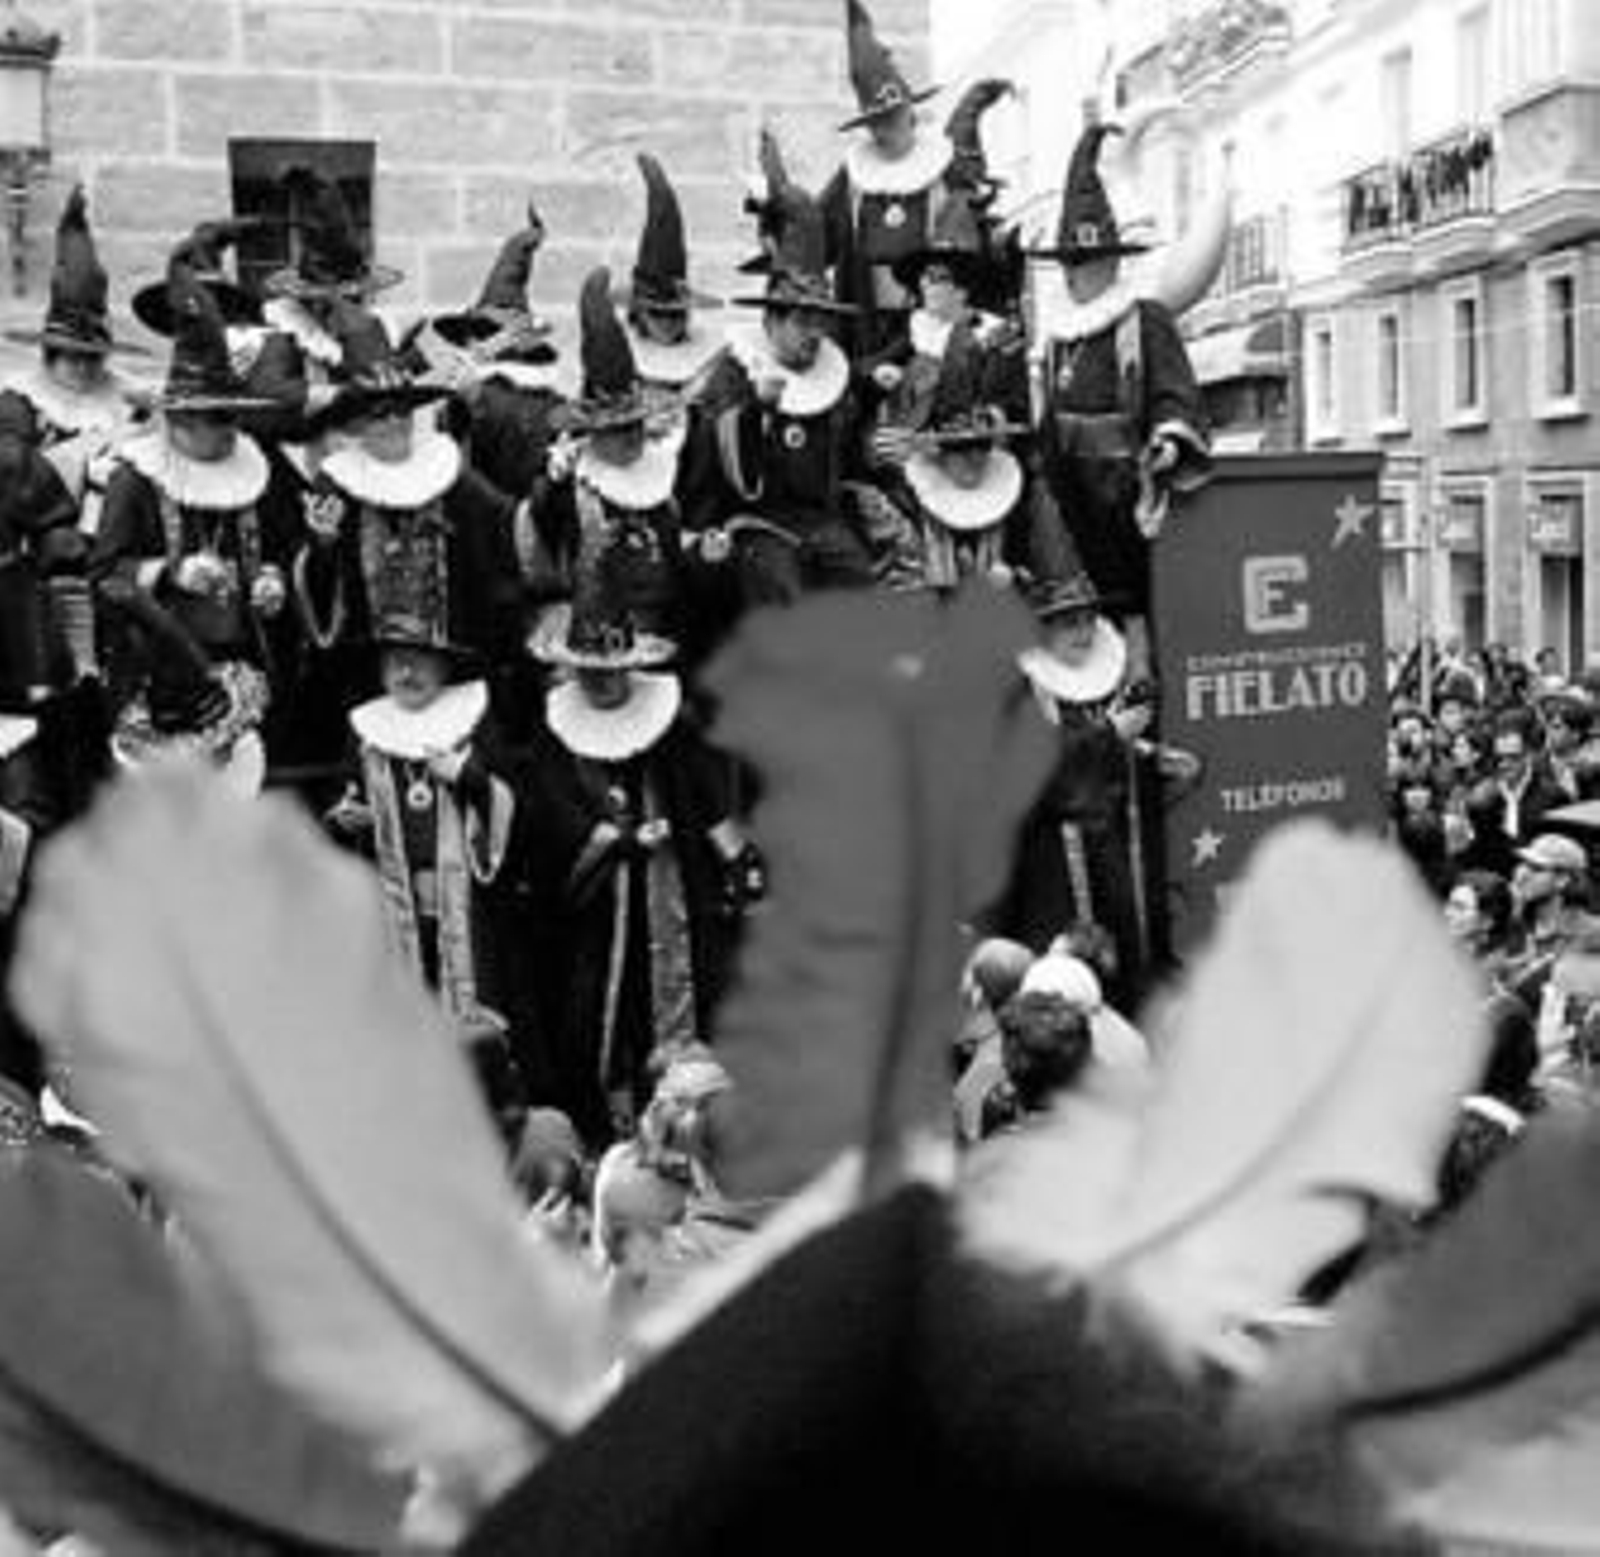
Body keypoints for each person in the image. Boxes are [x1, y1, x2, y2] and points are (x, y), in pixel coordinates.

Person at [524, 567, 762, 1146]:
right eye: (590, 671)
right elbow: (549, 823)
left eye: (611, 671)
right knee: (598, 1030)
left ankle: (689, 1128)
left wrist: (742, 866)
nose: (602, 682)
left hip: (674, 899)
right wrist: (611, 842)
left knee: (690, 1014)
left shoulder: (672, 724)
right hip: (595, 920)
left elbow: (710, 805)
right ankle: (613, 1137)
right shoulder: (553, 736)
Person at [1030, 119, 1211, 684]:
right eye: (1069, 264)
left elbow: (1175, 394)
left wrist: (1168, 438)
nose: (1076, 274)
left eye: (1085, 262)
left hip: (1128, 500)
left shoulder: (1144, 319)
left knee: (1141, 633)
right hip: (1072, 505)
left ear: (1110, 261)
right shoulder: (1060, 338)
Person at [90, 258, 299, 726]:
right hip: (159, 670)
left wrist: (273, 577)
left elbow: (286, 542)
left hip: (246, 662)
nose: (230, 430)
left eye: (232, 416)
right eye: (216, 419)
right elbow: (104, 575)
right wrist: (170, 572)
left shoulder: (256, 467)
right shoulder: (136, 477)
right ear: (179, 420)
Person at [680, 148, 871, 657]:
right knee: (780, 590)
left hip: (820, 521)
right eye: (800, 321)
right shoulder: (735, 370)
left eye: (820, 320)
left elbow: (849, 451)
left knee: (862, 580)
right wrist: (754, 414)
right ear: (771, 322)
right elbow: (715, 457)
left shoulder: (836, 375)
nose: (814, 333)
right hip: (758, 522)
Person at [991, 574, 1198, 1015]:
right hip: (1051, 862)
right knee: (1061, 976)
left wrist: (1147, 754)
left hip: (1109, 850)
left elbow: (1100, 753)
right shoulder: (1014, 689)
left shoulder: (1099, 680)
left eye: (1088, 619)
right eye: (1068, 622)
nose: (1084, 632)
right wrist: (1110, 736)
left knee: (1121, 960)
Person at [2, 186, 143, 537]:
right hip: (41, 545)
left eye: (92, 358)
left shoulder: (132, 400)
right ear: (51, 354)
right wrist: (82, 471)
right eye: (72, 358)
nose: (83, 367)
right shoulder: (18, 402)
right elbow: (14, 476)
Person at [820, 0, 950, 358]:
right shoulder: (851, 176)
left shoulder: (943, 171)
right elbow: (817, 230)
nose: (885, 129)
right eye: (876, 121)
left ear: (911, 112)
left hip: (929, 319)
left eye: (892, 118)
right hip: (865, 321)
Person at [616, 154, 725, 446]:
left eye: (675, 315)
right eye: (657, 314)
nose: (667, 324)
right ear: (639, 311)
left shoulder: (709, 365)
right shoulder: (618, 356)